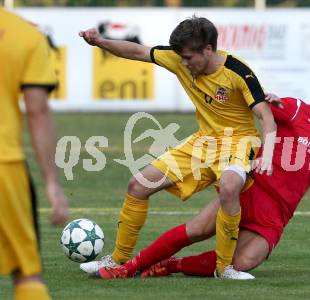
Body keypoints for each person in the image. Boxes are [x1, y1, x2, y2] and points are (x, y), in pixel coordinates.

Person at [97, 67, 310, 280]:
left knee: (243, 262)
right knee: (197, 230)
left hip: (275, 216)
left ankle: (172, 266)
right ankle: (128, 268)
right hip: (247, 191)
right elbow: (255, 110)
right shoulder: (294, 109)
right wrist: (263, 99)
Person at [78, 16, 277, 279]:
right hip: (203, 143)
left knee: (229, 187)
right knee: (138, 186)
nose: (182, 63)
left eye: (188, 57)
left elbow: (267, 117)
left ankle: (225, 268)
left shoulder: (238, 72)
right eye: (180, 57)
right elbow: (138, 51)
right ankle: (117, 259)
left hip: (239, 143)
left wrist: (269, 155)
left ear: (208, 50)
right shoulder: (180, 58)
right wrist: (100, 42)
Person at [0, 8, 70, 300]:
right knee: (26, 274)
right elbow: (38, 112)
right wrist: (52, 184)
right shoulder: (25, 35)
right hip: (5, 166)